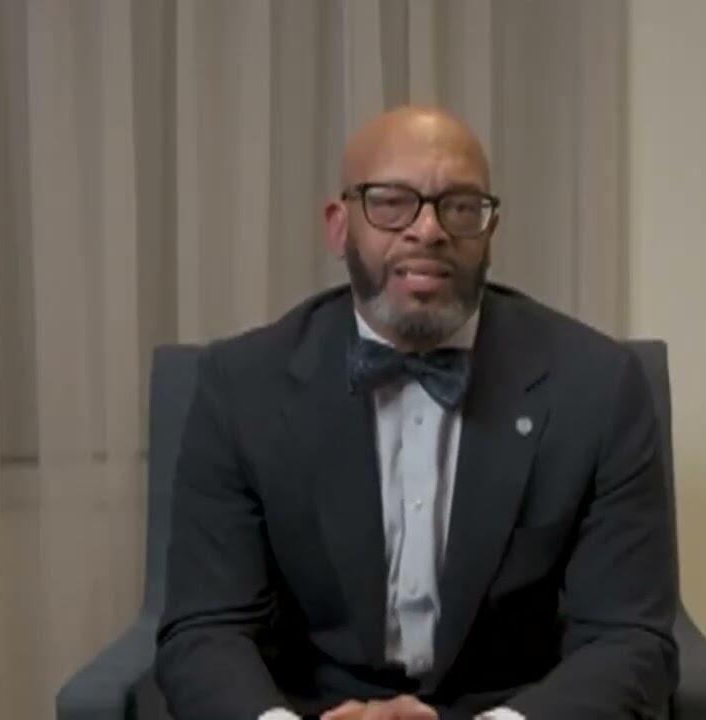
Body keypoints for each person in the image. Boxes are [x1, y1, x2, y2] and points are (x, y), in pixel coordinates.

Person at [155, 105, 678, 720]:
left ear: (490, 231)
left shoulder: (598, 386)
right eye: (391, 202)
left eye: (460, 206)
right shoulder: (242, 386)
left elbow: (629, 639)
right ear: (338, 225)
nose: (428, 230)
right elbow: (207, 629)